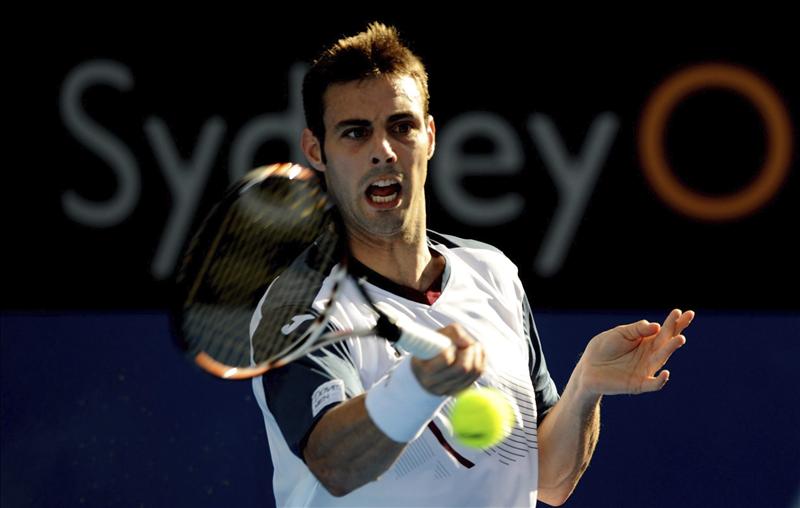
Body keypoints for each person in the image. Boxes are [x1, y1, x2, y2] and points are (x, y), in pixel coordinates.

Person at [250, 22, 695, 507]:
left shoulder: (493, 273)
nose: (384, 150)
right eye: (355, 133)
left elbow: (548, 478)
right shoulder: (301, 305)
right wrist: (418, 386)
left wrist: (585, 386)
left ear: (431, 136)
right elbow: (335, 465)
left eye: (402, 127)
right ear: (316, 150)